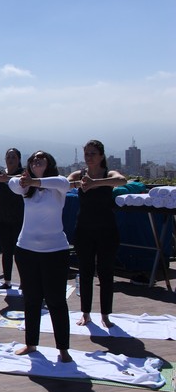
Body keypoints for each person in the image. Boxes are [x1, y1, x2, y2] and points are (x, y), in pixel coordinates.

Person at [8, 151, 72, 363]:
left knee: (56, 301)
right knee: (32, 299)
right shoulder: (27, 188)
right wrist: (27, 181)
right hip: (26, 250)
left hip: (55, 252)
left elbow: (63, 183)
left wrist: (33, 180)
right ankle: (31, 342)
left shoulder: (58, 186)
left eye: (41, 159)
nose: (36, 161)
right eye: (33, 159)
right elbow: (13, 184)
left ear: (49, 164)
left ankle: (63, 348)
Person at [68, 140, 127, 328]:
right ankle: (85, 313)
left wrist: (95, 184)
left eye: (93, 153)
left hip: (106, 230)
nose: (89, 157)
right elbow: (65, 183)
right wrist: (80, 183)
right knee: (85, 272)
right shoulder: (80, 174)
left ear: (101, 156)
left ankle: (105, 314)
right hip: (84, 230)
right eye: (86, 153)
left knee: (106, 273)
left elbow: (122, 180)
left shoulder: (108, 174)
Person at [0, 148, 25, 289]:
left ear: (19, 159)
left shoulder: (23, 174)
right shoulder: (0, 174)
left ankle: (24, 282)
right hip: (3, 218)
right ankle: (7, 281)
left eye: (13, 157)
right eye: (8, 156)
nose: (10, 159)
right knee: (6, 251)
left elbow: (23, 182)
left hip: (19, 218)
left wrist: (5, 179)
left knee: (20, 252)